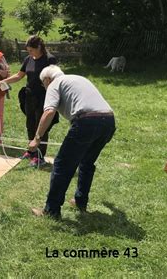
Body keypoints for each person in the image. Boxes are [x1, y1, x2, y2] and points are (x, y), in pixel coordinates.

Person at [30, 65, 115, 219]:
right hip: (108, 121)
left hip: (87, 121)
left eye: (43, 84)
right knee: (87, 163)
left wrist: (37, 138)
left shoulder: (54, 84)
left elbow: (49, 111)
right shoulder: (79, 78)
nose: (44, 87)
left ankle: (51, 210)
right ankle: (80, 201)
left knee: (62, 165)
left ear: (47, 79)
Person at [0, 35, 58, 167]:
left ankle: (40, 156)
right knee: (30, 124)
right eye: (28, 50)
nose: (29, 53)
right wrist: (3, 81)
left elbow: (54, 78)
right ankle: (31, 151)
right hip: (29, 96)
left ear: (39, 47)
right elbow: (19, 75)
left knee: (41, 126)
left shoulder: (49, 59)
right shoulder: (28, 59)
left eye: (31, 50)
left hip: (44, 97)